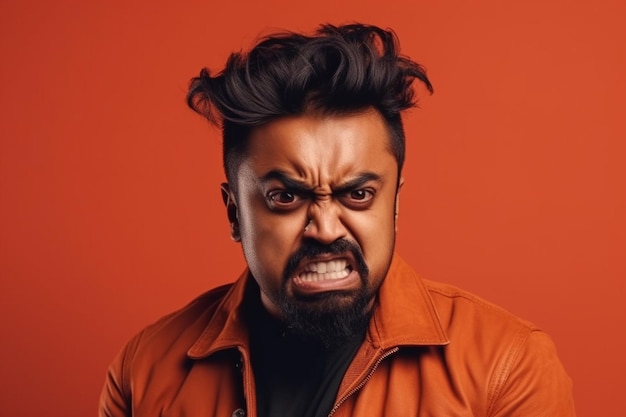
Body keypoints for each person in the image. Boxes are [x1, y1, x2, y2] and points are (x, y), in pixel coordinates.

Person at [99, 23, 575, 417]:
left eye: (358, 194)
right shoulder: (144, 373)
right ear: (234, 213)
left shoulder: (506, 368)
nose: (326, 229)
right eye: (285, 197)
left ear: (394, 206)